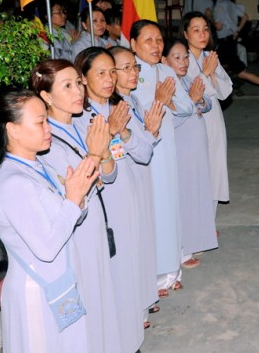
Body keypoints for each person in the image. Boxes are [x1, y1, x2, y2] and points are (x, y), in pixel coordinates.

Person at [0, 89, 96, 352]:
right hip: (36, 294)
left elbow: (68, 217)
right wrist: (72, 200)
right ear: (13, 130)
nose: (48, 128)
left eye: (46, 120)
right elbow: (47, 247)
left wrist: (76, 199)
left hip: (57, 284)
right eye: (40, 122)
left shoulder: (38, 166)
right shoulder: (13, 183)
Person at [31, 59, 122, 352]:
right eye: (67, 86)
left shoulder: (83, 123)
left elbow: (109, 175)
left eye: (78, 83)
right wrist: (95, 156)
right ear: (46, 96)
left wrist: (102, 154)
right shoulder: (47, 142)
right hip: (75, 235)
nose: (78, 91)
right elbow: (71, 196)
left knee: (103, 295)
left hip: (95, 225)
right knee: (88, 303)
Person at [74, 47, 148, 349]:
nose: (109, 79)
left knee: (130, 267)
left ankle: (132, 332)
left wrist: (124, 133)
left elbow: (144, 152)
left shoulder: (120, 106)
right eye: (101, 73)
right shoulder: (81, 117)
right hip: (106, 203)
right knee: (113, 273)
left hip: (128, 194)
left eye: (112, 72)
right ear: (83, 78)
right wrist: (112, 134)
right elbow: (98, 170)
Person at [129, 19, 193, 296]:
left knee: (170, 206)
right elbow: (131, 112)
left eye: (159, 40)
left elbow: (186, 106)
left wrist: (169, 101)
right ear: (133, 44)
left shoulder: (166, 70)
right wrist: (156, 100)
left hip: (168, 148)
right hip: (145, 151)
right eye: (148, 40)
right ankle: (153, 275)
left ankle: (170, 269)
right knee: (152, 209)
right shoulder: (129, 73)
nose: (156, 46)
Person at [109, 46, 165, 327]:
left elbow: (145, 143)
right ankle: (134, 306)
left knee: (143, 235)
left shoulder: (133, 101)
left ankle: (144, 295)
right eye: (126, 68)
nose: (133, 73)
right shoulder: (114, 107)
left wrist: (151, 132)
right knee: (130, 241)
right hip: (125, 176)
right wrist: (148, 135)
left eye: (135, 67)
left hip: (141, 173)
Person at [162, 38, 218, 268]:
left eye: (185, 57)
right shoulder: (165, 86)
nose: (183, 61)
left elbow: (207, 104)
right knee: (184, 196)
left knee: (197, 192)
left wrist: (199, 100)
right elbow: (168, 120)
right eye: (176, 57)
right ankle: (182, 249)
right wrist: (193, 101)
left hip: (196, 146)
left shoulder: (185, 80)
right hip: (181, 147)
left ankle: (195, 239)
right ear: (164, 60)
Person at [182, 11, 233, 204]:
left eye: (205, 29)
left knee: (215, 165)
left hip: (214, 118)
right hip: (193, 118)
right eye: (196, 30)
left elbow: (225, 91)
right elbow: (189, 92)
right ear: (186, 34)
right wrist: (205, 73)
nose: (202, 34)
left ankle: (211, 216)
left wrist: (211, 74)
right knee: (196, 167)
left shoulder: (210, 57)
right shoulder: (181, 59)